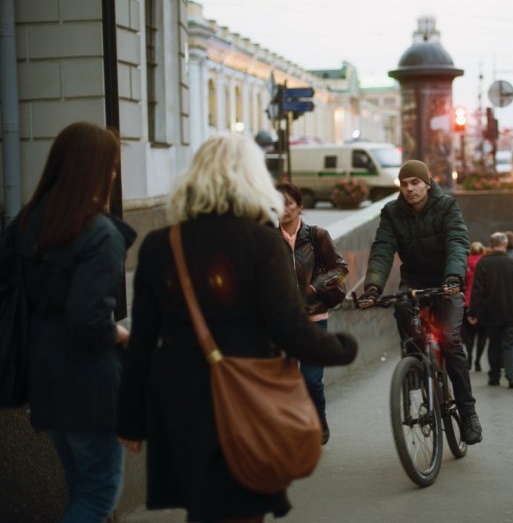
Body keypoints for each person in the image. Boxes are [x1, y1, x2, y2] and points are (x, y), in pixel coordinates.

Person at [116, 134, 357, 522]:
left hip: (179, 399)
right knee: (242, 506)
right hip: (246, 394)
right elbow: (289, 328)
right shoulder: (260, 242)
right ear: (251, 181)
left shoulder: (162, 244)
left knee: (202, 508)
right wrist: (342, 348)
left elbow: (142, 338)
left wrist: (129, 417)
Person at [0, 122, 136, 522]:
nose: (113, 175)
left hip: (42, 379)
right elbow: (89, 321)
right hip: (89, 386)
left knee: (80, 486)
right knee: (96, 496)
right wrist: (121, 333)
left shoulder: (27, 222)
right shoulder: (97, 233)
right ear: (96, 169)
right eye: (111, 166)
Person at [357, 159, 482, 444]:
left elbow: (457, 241)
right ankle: (415, 364)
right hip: (414, 279)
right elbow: (383, 249)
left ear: (427, 183)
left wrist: (453, 278)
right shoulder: (391, 212)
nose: (409, 189)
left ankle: (468, 412)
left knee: (450, 340)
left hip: (446, 281)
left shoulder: (446, 207)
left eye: (415, 183)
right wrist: (373, 286)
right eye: (404, 184)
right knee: (403, 307)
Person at [276, 182, 349, 445]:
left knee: (311, 380)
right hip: (281, 323)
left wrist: (316, 287)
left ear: (300, 206)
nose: (283, 210)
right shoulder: (268, 238)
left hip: (314, 320)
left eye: (288, 204)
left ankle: (318, 421)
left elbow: (341, 268)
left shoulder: (317, 236)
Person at [469, 232, 513, 389]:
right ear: (505, 245)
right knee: (512, 344)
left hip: (491, 312)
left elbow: (477, 290)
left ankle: (494, 376)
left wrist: (473, 312)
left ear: (490, 245)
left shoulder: (484, 264)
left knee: (494, 343)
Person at [462, 241, 488, 372]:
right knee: (482, 334)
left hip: (467, 303)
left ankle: (469, 356)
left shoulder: (465, 264)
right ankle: (478, 361)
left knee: (468, 334)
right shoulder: (486, 265)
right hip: (483, 305)